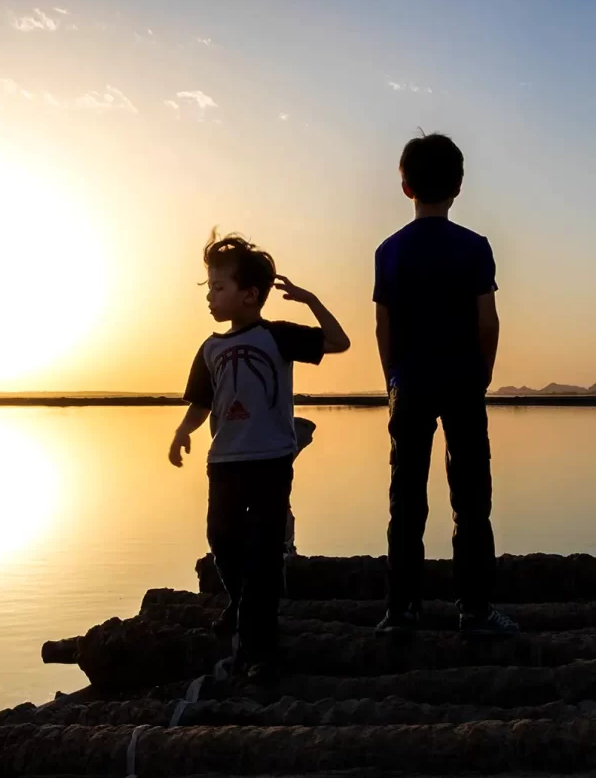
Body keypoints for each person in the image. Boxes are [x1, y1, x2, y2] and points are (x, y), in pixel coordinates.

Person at [170, 230, 350, 678]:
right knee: (222, 539)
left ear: (249, 295)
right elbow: (202, 403)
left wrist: (310, 300)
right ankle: (239, 602)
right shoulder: (211, 348)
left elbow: (338, 341)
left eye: (219, 287)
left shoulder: (277, 337)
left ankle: (260, 648)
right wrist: (182, 431)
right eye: (209, 287)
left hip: (271, 459)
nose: (210, 296)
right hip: (224, 462)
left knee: (266, 550)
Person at [372, 133, 519, 637]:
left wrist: (392, 379)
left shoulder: (389, 251)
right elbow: (488, 320)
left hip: (409, 383)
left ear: (405, 186)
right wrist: (484, 372)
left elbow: (383, 325)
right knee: (472, 499)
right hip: (463, 381)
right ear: (458, 186)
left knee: (405, 498)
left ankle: (401, 610)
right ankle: (474, 610)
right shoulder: (474, 247)